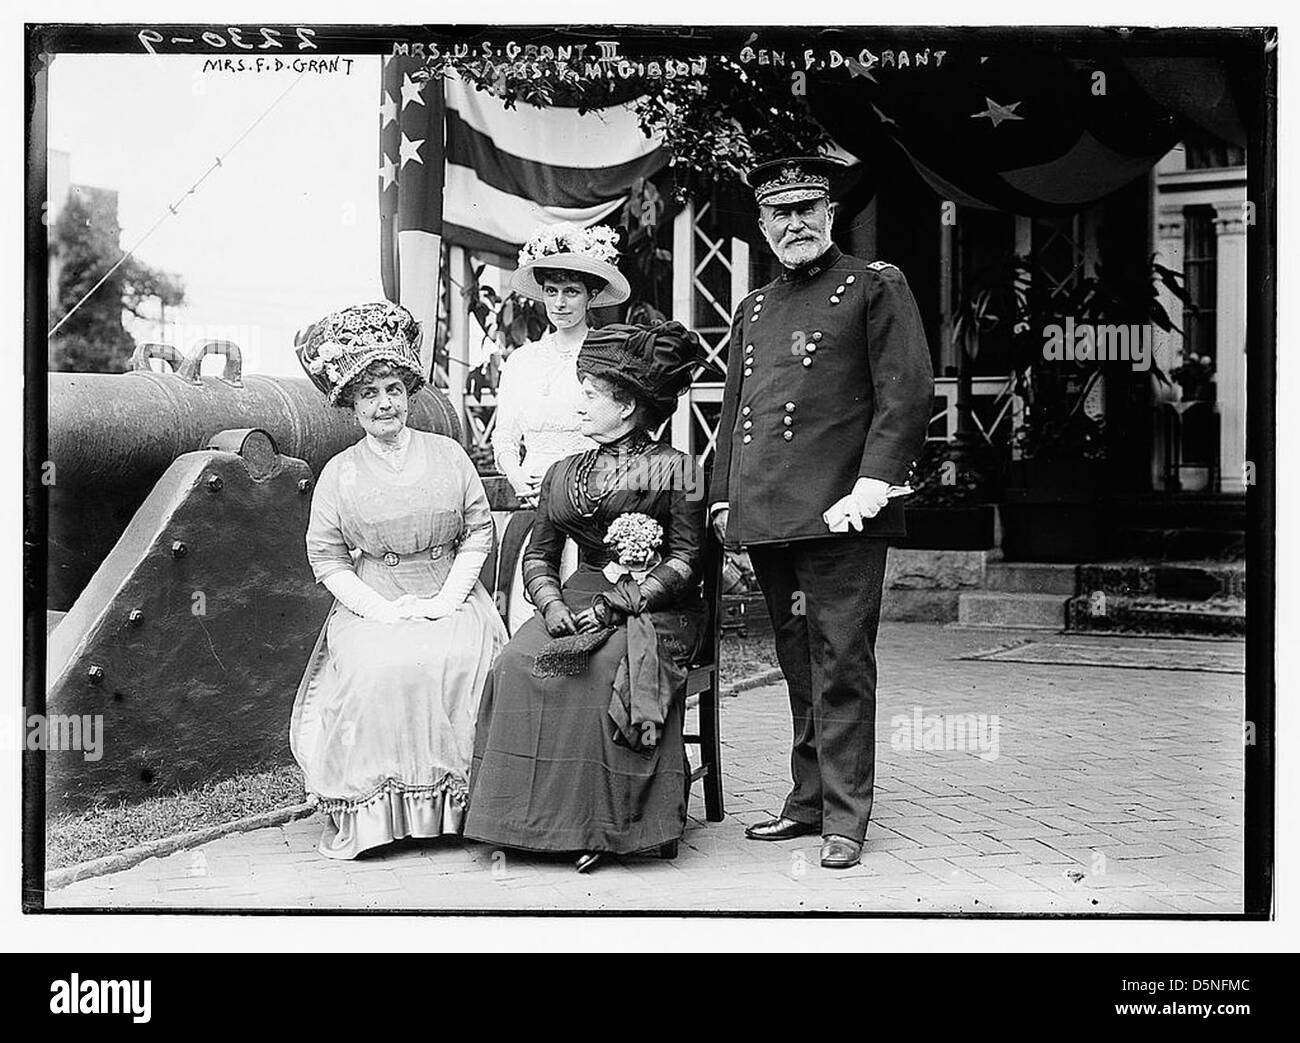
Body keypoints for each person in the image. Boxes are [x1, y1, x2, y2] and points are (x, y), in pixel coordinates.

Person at [709, 156, 935, 869]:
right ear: (765, 224)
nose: (796, 223)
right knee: (798, 660)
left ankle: (846, 815)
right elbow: (737, 414)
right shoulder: (754, 307)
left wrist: (875, 482)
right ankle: (807, 801)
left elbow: (907, 392)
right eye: (782, 213)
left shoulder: (874, 285)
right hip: (774, 515)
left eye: (809, 208)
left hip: (844, 514)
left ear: (830, 215)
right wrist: (723, 495)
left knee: (841, 661)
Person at [465, 321, 713, 873]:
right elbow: (539, 555)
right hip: (577, 594)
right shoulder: (562, 473)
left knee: (604, 668)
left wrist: (615, 605)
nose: (579, 406)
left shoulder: (681, 469)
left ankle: (607, 827)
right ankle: (519, 822)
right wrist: (550, 605)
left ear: (626, 407)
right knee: (515, 662)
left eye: (591, 395)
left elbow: (685, 560)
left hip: (656, 605)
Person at [289, 301, 508, 859]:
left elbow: (478, 534)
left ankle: (462, 813)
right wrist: (381, 611)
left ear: (409, 394)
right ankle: (382, 821)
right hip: (373, 598)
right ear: (352, 404)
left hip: (450, 588)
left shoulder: (450, 454)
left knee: (461, 661)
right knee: (378, 668)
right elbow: (328, 559)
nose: (383, 403)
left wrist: (446, 600)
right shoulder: (339, 472)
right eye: (369, 393)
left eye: (392, 389)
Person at [492, 222, 631, 632]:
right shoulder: (521, 362)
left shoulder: (609, 355)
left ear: (591, 295)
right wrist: (518, 478)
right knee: (527, 620)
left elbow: (621, 435)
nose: (560, 303)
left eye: (571, 291)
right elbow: (505, 438)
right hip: (533, 502)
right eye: (551, 291)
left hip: (592, 504)